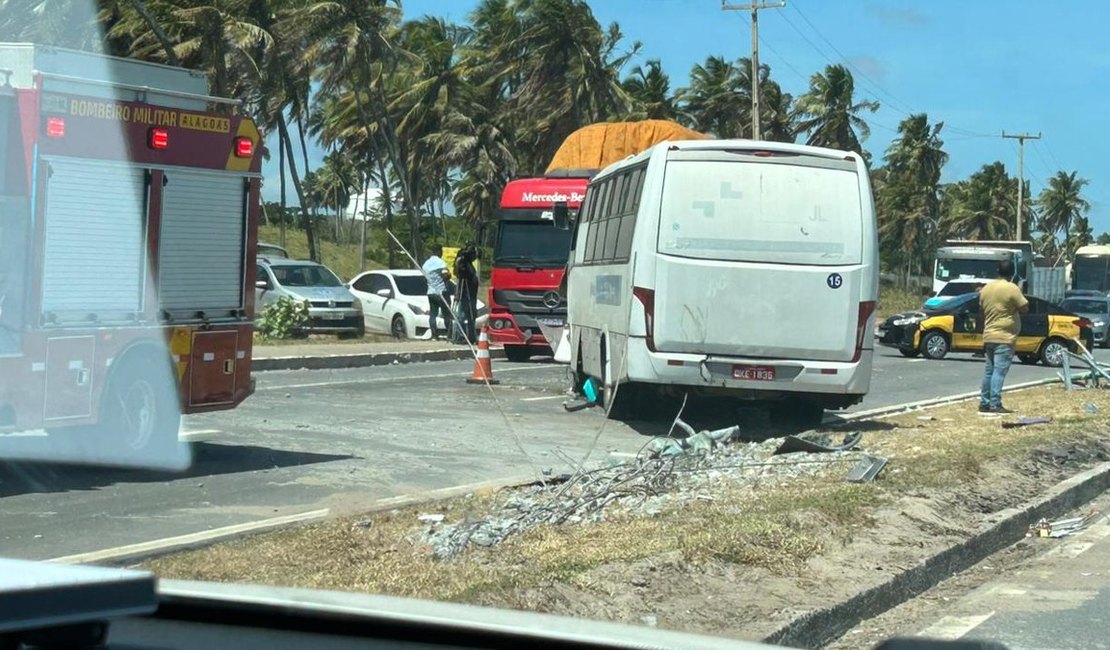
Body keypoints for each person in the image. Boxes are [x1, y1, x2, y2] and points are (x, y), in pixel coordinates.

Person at [978, 259, 1029, 415]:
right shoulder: (1011, 288)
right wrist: (1020, 290)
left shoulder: (986, 289)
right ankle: (995, 403)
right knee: (999, 371)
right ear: (1012, 273)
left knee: (989, 371)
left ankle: (984, 402)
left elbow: (981, 309)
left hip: (989, 334)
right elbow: (1025, 308)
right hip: (1005, 336)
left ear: (997, 271)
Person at [422, 245, 452, 340]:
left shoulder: (426, 264)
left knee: (433, 314)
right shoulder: (441, 263)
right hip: (441, 292)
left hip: (430, 292)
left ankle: (434, 335)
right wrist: (448, 276)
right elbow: (445, 275)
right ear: (439, 251)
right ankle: (449, 334)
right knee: (446, 314)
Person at [453, 243, 480, 343]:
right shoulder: (463, 263)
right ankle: (459, 336)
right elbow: (458, 273)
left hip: (471, 294)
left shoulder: (469, 264)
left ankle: (471, 336)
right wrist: (459, 260)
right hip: (465, 293)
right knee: (462, 315)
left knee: (471, 316)